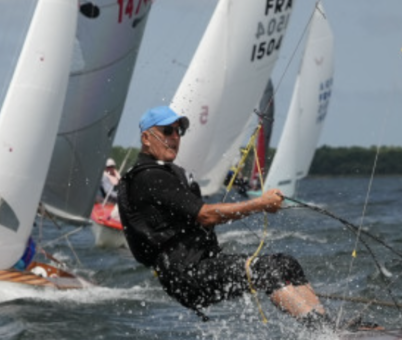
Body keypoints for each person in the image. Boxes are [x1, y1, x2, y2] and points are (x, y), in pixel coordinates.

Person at [117, 106, 326, 323]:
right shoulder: (149, 177)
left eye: (179, 131)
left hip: (203, 265)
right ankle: (322, 331)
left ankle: (327, 326)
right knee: (268, 270)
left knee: (286, 264)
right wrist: (261, 204)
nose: (175, 137)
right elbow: (206, 215)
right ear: (146, 138)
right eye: (167, 131)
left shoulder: (166, 173)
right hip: (186, 275)